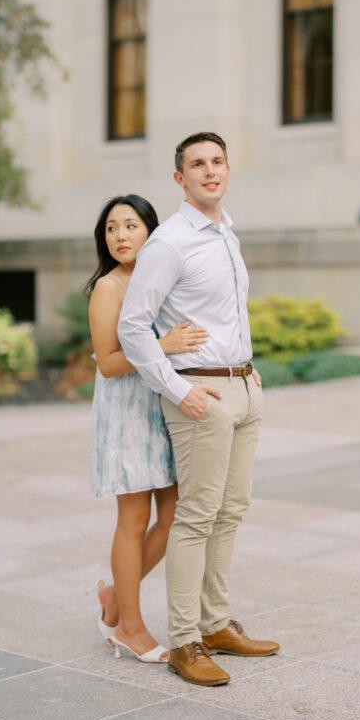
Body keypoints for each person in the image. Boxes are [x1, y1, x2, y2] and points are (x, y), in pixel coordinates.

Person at [118, 132, 279, 686]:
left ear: (228, 169)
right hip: (199, 396)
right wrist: (177, 388)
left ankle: (215, 626)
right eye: (196, 165)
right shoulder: (170, 242)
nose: (209, 172)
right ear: (179, 178)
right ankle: (186, 640)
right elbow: (133, 327)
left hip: (241, 388)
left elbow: (230, 311)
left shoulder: (225, 233)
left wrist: (247, 366)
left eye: (217, 162)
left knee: (231, 511)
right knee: (195, 516)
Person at [87, 194, 208, 664]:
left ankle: (117, 597)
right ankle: (129, 629)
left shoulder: (161, 278)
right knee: (134, 519)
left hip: (165, 406)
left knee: (176, 515)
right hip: (127, 413)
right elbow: (110, 364)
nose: (120, 236)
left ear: (151, 232)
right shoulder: (108, 289)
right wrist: (163, 343)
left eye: (130, 226)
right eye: (112, 228)